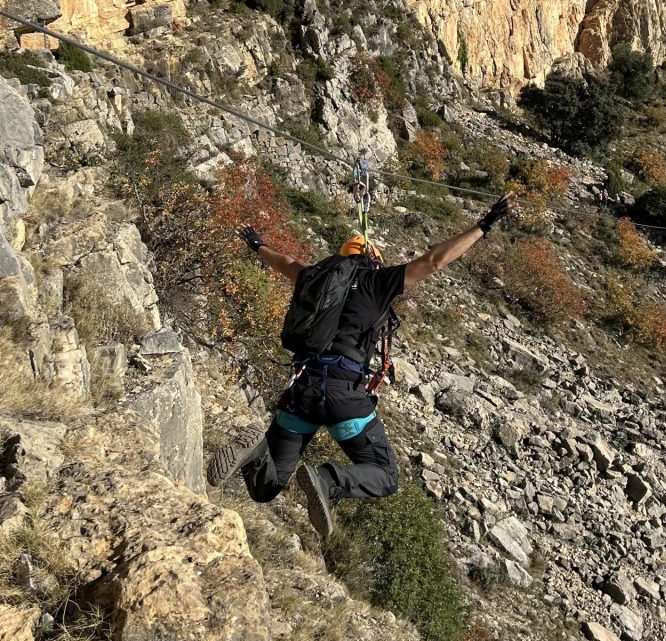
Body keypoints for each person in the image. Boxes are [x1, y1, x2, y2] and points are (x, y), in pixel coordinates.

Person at [206, 192, 514, 538]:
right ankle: (326, 480)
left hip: (301, 392)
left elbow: (284, 262)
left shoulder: (316, 277)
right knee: (384, 475)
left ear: (340, 258)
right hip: (344, 397)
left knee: (266, 488)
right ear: (375, 261)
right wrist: (483, 227)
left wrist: (257, 246)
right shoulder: (378, 282)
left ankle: (256, 450)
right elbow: (433, 261)